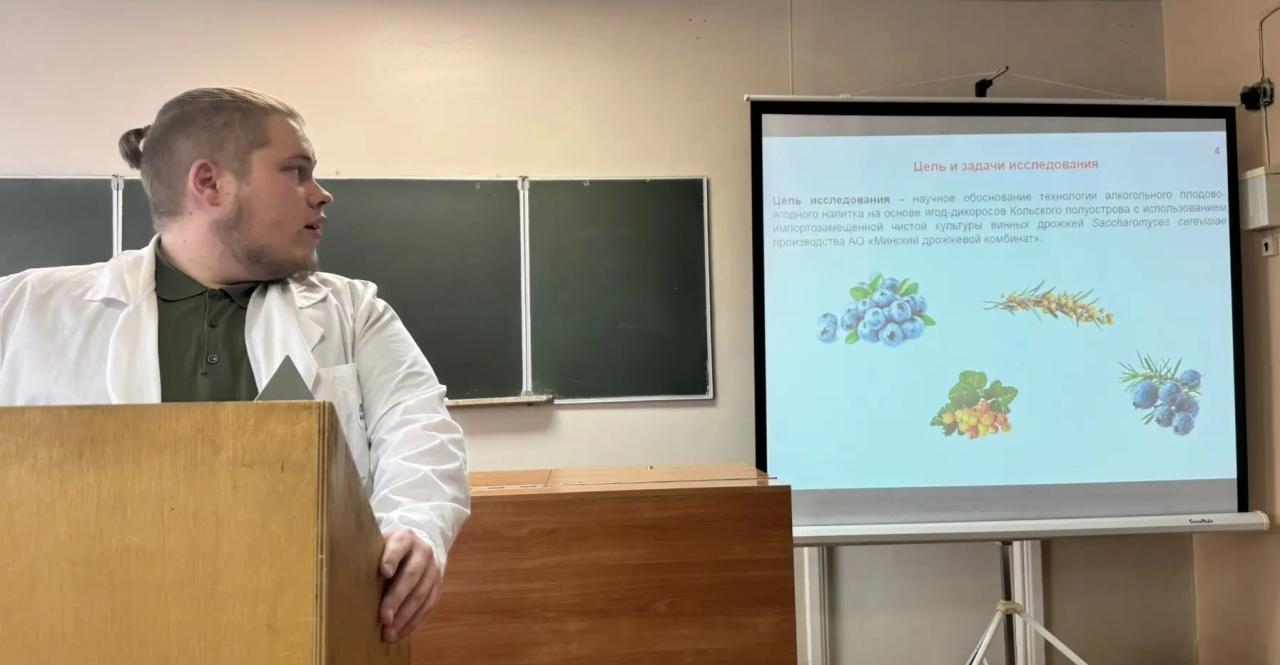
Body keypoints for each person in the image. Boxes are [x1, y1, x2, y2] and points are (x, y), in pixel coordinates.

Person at [0, 87, 469, 643]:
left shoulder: (352, 311)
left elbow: (418, 428)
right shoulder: (25, 310)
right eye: (296, 172)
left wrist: (416, 526)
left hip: (295, 624)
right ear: (209, 183)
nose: (322, 195)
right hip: (86, 625)